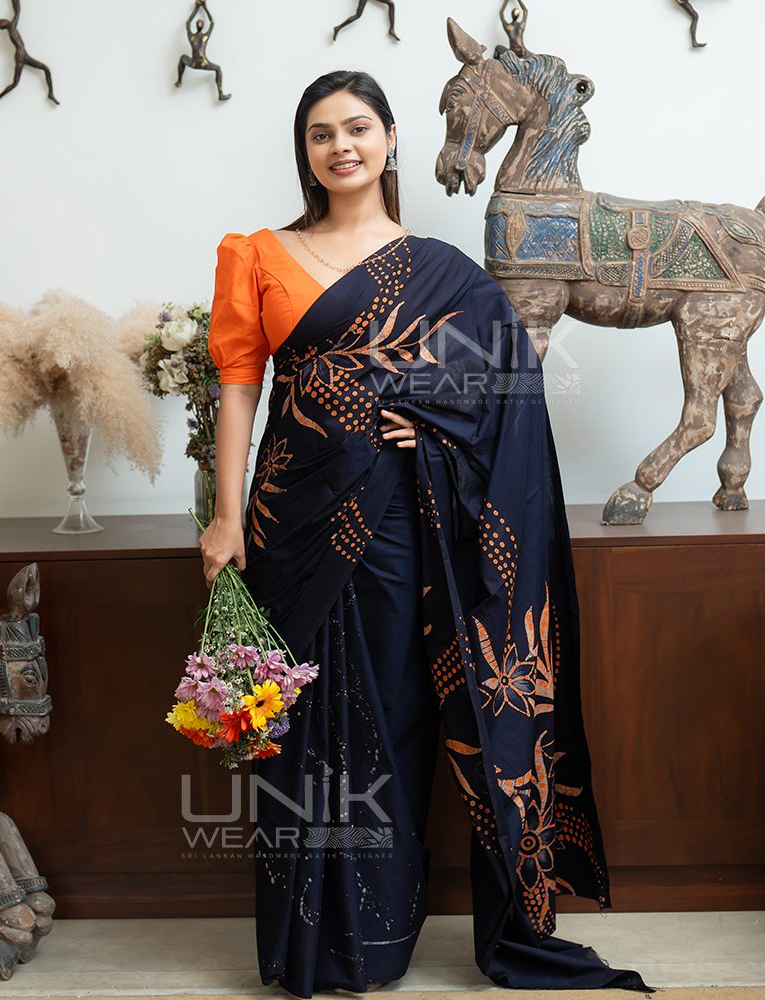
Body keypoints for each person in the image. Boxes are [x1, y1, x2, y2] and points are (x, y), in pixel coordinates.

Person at [198, 70, 652, 999]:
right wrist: (226, 513)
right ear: (306, 153)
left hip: (399, 521)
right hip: (288, 522)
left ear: (391, 138)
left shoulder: (444, 270)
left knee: (395, 716)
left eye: (357, 128)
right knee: (291, 724)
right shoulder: (257, 254)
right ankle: (304, 944)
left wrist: (436, 423)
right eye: (321, 133)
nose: (341, 146)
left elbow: (507, 389)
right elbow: (239, 383)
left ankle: (376, 938)